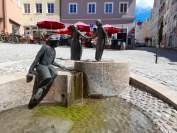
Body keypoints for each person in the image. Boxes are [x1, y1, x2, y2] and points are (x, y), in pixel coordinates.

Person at [26, 36, 72, 109]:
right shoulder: (45, 47)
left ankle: (43, 87)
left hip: (48, 66)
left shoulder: (53, 50)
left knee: (55, 73)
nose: (58, 43)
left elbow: (52, 61)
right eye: (57, 41)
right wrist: (30, 71)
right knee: (47, 77)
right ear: (53, 42)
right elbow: (37, 58)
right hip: (41, 65)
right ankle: (39, 89)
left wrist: (61, 66)